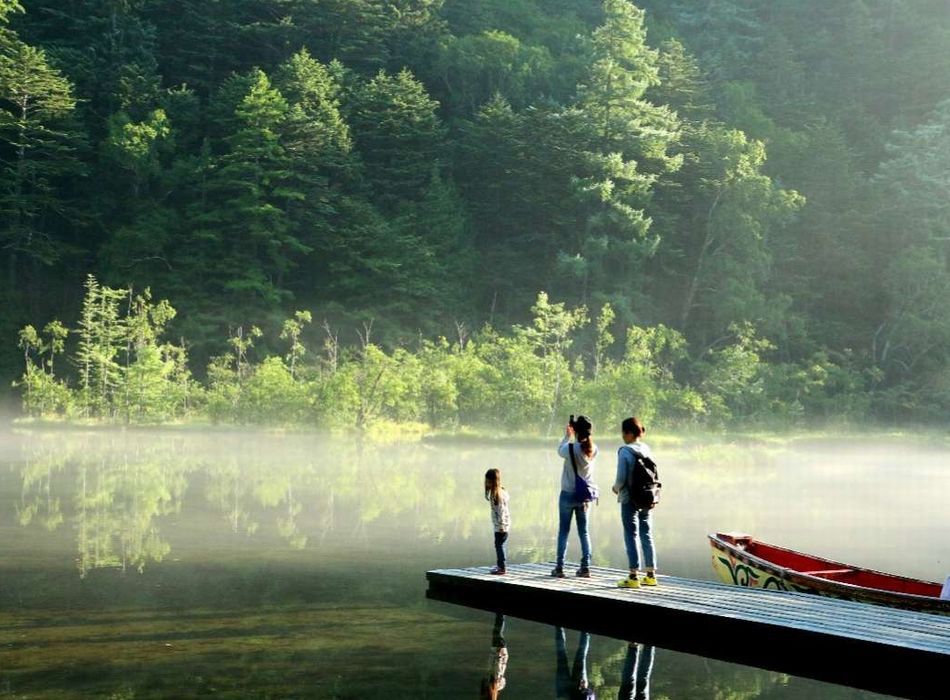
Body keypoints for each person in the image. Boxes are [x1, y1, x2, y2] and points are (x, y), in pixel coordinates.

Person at [612, 417, 657, 589]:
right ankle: (651, 575)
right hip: (646, 497)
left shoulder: (625, 451)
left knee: (631, 534)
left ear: (629, 433)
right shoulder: (646, 449)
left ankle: (633, 576)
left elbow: (621, 478)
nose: (622, 436)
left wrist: (615, 488)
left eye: (623, 433)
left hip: (629, 498)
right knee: (646, 533)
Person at [553, 415, 598, 578]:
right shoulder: (594, 449)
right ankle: (585, 567)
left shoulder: (570, 448)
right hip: (584, 496)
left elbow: (559, 450)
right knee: (584, 532)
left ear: (576, 430)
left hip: (567, 494)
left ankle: (559, 568)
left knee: (563, 531)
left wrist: (567, 435)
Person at [555, 626, 594, 699]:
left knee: (581, 655)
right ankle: (558, 627)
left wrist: (585, 690)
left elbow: (590, 695)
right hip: (564, 691)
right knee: (561, 656)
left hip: (576, 689)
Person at [485, 468, 510, 574]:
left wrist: (501, 525)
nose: (486, 483)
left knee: (499, 545)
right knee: (499, 545)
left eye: (488, 481)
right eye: (486, 481)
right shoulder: (500, 491)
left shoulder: (497, 495)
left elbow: (501, 511)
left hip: (501, 526)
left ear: (494, 482)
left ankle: (502, 568)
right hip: (502, 525)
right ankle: (500, 565)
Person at [480, 613, 508, 699]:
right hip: (499, 652)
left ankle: (500, 615)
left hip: (495, 651)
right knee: (498, 631)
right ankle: (501, 614)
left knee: (497, 631)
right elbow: (498, 668)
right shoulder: (496, 683)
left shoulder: (495, 684)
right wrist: (499, 654)